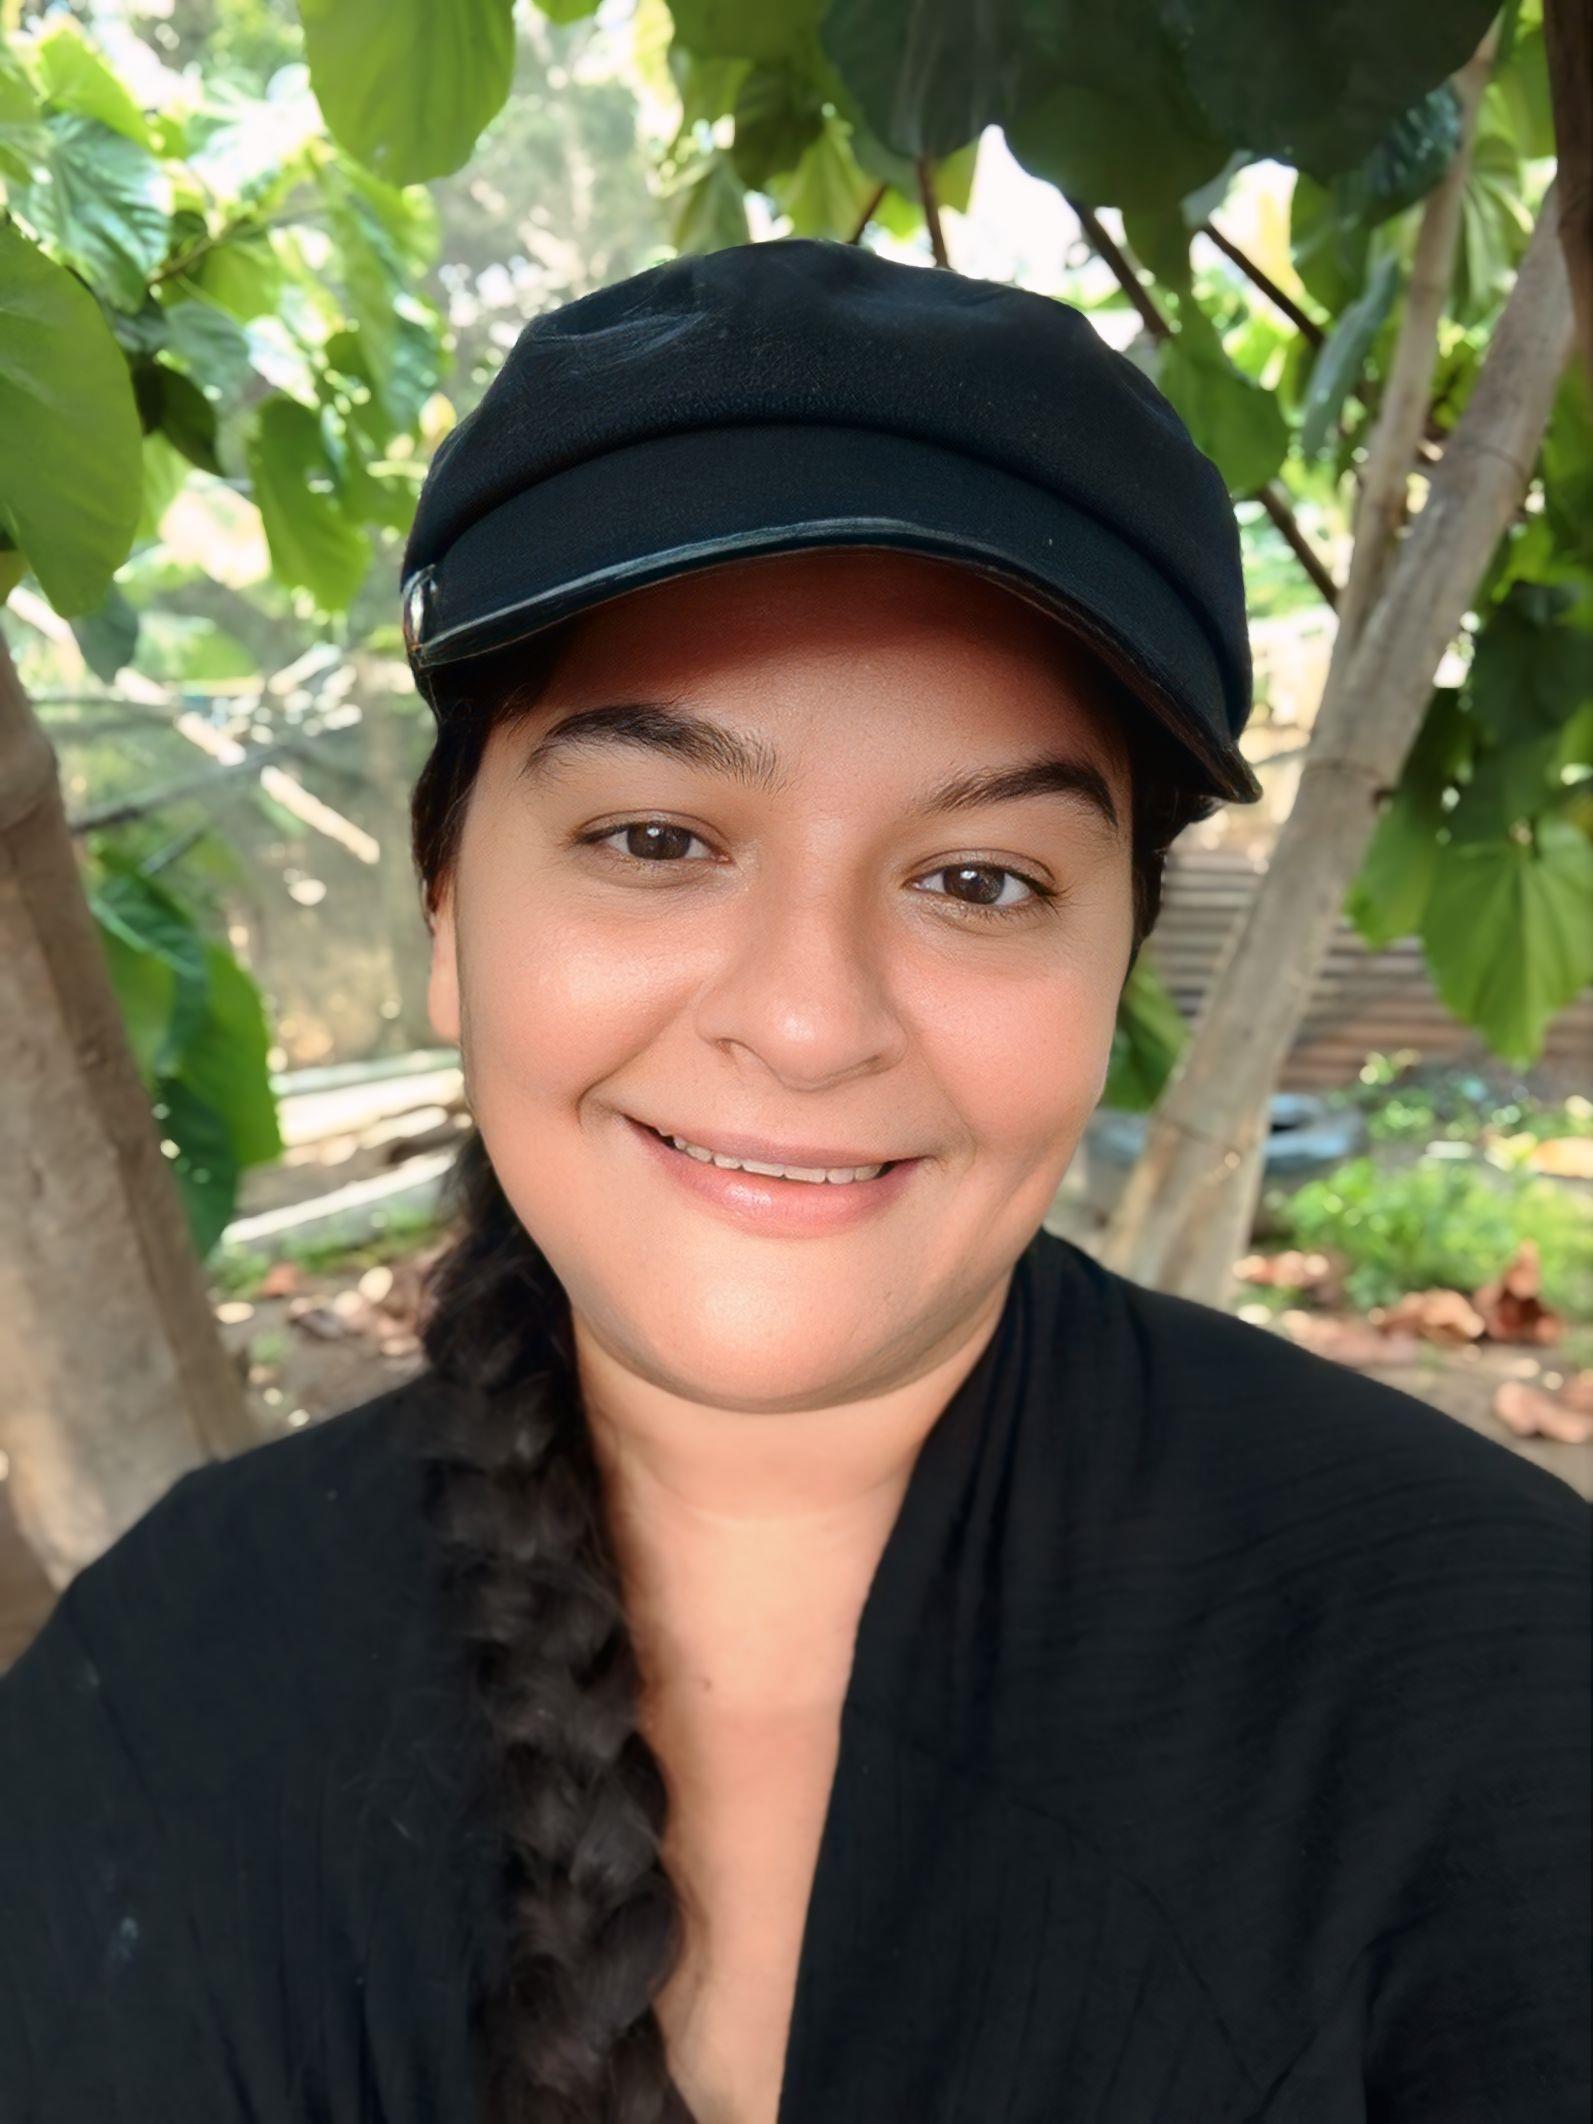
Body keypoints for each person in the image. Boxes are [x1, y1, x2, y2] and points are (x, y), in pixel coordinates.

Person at [1, 239, 1587, 2124]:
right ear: (445, 912)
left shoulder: (1497, 1697)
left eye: (981, 879)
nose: (810, 1020)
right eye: (656, 838)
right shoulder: (167, 1695)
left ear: (1112, 968)